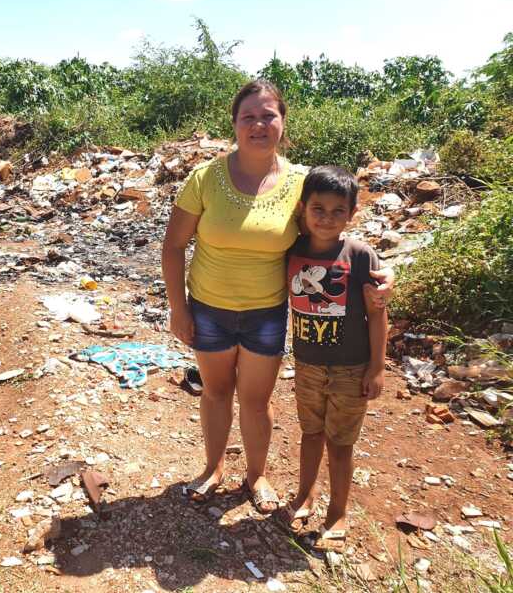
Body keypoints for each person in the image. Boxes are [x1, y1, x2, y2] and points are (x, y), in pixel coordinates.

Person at [161, 80, 393, 514]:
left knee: (255, 401)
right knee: (215, 392)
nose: (258, 125)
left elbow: (328, 235)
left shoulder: (300, 184)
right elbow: (173, 245)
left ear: (283, 122)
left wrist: (381, 270)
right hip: (209, 308)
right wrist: (179, 308)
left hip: (266, 313)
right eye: (248, 116)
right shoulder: (205, 178)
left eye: (268, 115)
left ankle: (256, 475)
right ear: (234, 124)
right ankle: (212, 469)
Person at [278, 166, 388, 552]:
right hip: (307, 365)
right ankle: (304, 495)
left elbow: (378, 313)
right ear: (303, 209)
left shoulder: (359, 255)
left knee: (341, 444)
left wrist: (377, 368)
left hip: (350, 369)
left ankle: (338, 512)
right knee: (310, 434)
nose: (326, 218)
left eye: (338, 211)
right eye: (318, 209)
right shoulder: (292, 250)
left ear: (352, 214)